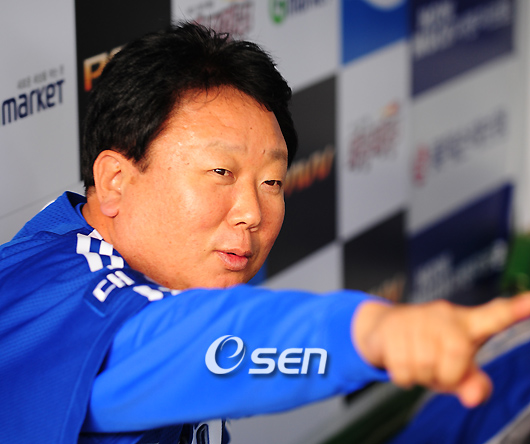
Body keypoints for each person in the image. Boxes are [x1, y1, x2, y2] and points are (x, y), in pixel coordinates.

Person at [1, 22, 529, 444]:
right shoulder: (63, 299)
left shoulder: (98, 249)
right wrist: (374, 335)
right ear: (115, 180)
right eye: (220, 172)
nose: (253, 212)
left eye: (272, 182)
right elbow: (184, 343)